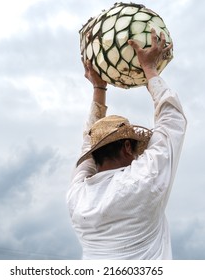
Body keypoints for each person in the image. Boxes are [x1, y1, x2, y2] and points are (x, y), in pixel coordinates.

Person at [66, 28, 187, 259]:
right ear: (127, 147)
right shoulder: (143, 180)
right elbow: (173, 120)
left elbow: (87, 144)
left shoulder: (77, 197)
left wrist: (98, 89)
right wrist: (150, 69)